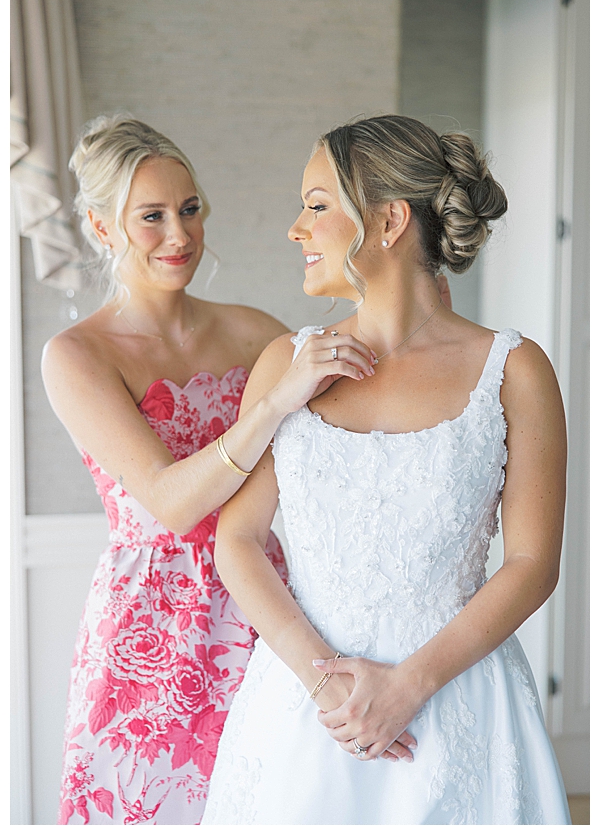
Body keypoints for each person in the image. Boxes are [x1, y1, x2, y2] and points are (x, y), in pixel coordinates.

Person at [202, 115, 571, 825]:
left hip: (460, 705)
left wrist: (409, 686)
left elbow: (532, 562)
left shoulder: (515, 370)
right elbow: (238, 541)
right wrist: (324, 686)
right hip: (304, 717)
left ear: (390, 220)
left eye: (316, 205)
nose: (296, 229)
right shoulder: (288, 365)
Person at [42, 115, 381, 824]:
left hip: (264, 599)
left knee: (275, 801)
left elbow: (344, 400)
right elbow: (169, 503)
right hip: (148, 625)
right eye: (152, 217)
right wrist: (271, 405)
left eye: (190, 208)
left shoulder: (256, 331)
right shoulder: (77, 355)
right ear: (104, 229)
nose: (181, 235)